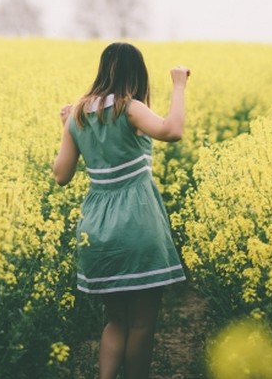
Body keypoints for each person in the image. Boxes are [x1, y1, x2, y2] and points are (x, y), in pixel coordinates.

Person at [53, 42, 189, 379]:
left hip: (97, 229)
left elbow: (61, 176)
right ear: (136, 73)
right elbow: (172, 130)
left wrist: (67, 127)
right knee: (142, 324)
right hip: (137, 224)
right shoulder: (129, 107)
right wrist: (179, 85)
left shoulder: (79, 115)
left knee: (115, 321)